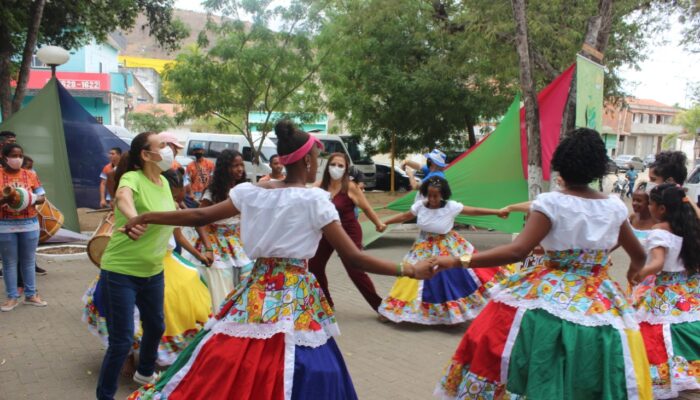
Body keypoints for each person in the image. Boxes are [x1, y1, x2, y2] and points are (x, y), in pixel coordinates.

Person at [126, 120, 438, 400]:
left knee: (239, 359)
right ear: (306, 159)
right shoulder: (314, 200)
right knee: (302, 364)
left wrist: (147, 215)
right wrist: (409, 269)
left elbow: (198, 215)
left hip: (256, 290)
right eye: (317, 158)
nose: (321, 164)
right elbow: (354, 257)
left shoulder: (253, 192)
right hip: (295, 295)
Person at [433, 128, 653, 399]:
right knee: (594, 365)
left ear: (560, 166)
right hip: (600, 297)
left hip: (547, 294)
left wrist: (457, 260)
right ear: (598, 169)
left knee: (523, 352)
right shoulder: (615, 206)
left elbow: (517, 251)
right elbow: (639, 256)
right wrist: (631, 274)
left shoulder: (551, 203)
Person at [83, 168, 212, 368]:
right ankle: (126, 356)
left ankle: (149, 361)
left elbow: (179, 235)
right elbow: (120, 196)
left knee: (178, 297)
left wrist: (199, 255)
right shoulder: (140, 202)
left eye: (180, 194)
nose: (179, 198)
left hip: (165, 262)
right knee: (126, 313)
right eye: (176, 193)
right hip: (134, 264)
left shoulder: (173, 206)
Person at [94, 131, 176, 400]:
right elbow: (123, 198)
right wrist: (134, 219)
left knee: (156, 326)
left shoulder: (163, 182)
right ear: (145, 154)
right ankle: (105, 395)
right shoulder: (132, 177)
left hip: (153, 271)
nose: (168, 150)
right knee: (121, 341)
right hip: (121, 271)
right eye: (162, 146)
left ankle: (144, 372)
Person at [378, 176, 508, 325]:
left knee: (449, 279)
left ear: (443, 195)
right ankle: (392, 310)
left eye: (436, 196)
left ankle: (453, 313)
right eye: (429, 195)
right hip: (422, 246)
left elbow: (473, 210)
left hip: (446, 246)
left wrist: (496, 212)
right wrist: (385, 222)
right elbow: (404, 216)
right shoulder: (420, 206)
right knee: (409, 276)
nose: (432, 199)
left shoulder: (451, 206)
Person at [630, 183, 700, 398]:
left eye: (651, 203)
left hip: (664, 294)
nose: (648, 207)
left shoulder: (659, 231)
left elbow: (658, 262)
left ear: (661, 209)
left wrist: (642, 273)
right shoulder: (692, 229)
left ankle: (663, 380)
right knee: (685, 332)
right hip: (690, 293)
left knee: (658, 335)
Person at [308, 152, 386, 313]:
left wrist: (378, 223)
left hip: (349, 231)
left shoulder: (350, 187)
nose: (336, 168)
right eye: (333, 164)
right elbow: (300, 192)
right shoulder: (319, 186)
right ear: (327, 166)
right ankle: (326, 304)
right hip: (328, 232)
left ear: (346, 169)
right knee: (314, 266)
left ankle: (380, 307)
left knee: (355, 269)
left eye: (340, 165)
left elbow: (366, 207)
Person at [194, 149, 253, 310]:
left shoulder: (244, 190)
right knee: (221, 288)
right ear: (224, 168)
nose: (240, 169)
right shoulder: (213, 192)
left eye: (241, 164)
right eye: (235, 165)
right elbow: (200, 221)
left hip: (238, 245)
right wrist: (208, 248)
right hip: (216, 245)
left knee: (244, 284)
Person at [0, 144, 48, 312]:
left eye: (20, 155)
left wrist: (29, 198)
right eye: (14, 155)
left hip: (29, 223)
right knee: (9, 263)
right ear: (5, 157)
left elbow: (42, 197)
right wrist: (6, 200)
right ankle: (12, 297)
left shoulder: (30, 174)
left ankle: (31, 295)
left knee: (28, 261)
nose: (18, 159)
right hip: (5, 225)